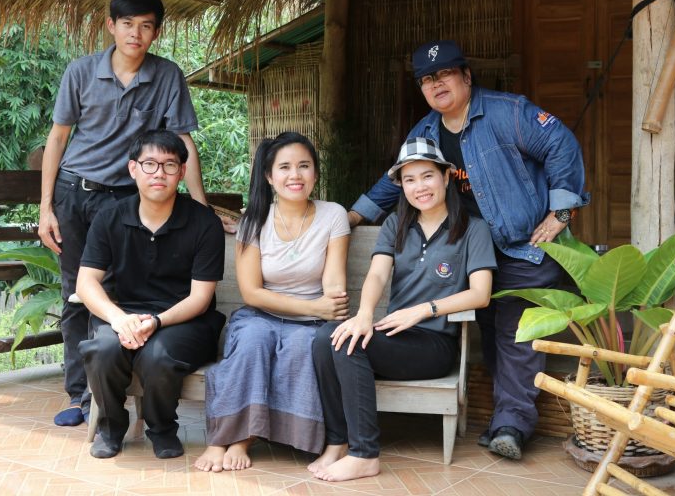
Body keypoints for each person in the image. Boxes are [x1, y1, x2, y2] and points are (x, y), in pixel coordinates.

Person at [348, 41, 589, 460]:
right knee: (492, 333)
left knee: (516, 333)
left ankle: (511, 425)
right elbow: (397, 180)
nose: (436, 84)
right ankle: (503, 418)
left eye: (445, 74)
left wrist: (562, 212)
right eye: (427, 79)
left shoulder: (507, 112)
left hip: (521, 246)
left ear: (466, 76)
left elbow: (561, 144)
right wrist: (352, 216)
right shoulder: (425, 132)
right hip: (468, 249)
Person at [38, 0, 217, 428]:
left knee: (123, 292)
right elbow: (57, 138)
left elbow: (184, 141)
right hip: (75, 193)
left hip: (125, 199)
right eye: (127, 24)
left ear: (156, 32)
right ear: (111, 26)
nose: (136, 34)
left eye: (146, 26)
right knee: (77, 293)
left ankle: (120, 394)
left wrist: (201, 205)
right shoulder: (81, 71)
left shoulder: (167, 75)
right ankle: (80, 397)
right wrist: (45, 208)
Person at [311, 137, 495, 481]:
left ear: (446, 176)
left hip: (435, 344)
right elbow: (378, 274)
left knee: (347, 344)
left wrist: (424, 309)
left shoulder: (473, 228)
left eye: (427, 176)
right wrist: (365, 315)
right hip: (394, 335)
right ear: (401, 186)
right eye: (409, 180)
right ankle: (338, 442)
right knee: (327, 338)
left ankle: (364, 454)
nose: (419, 187)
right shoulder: (396, 224)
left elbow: (480, 294)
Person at [194, 132, 350, 473]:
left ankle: (245, 439)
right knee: (252, 341)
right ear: (269, 176)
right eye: (285, 167)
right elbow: (251, 293)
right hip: (261, 315)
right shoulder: (254, 220)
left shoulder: (333, 215)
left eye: (304, 166)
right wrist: (314, 307)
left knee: (300, 346)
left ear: (315, 173)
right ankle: (223, 438)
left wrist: (325, 305)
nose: (295, 175)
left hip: (311, 323)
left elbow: (334, 284)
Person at [76, 129, 226, 459]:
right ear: (133, 169)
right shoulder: (109, 218)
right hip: (125, 313)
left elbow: (200, 298)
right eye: (149, 164)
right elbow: (85, 283)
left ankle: (162, 429)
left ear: (182, 172)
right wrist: (119, 319)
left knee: (158, 355)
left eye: (169, 165)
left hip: (186, 321)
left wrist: (156, 322)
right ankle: (111, 428)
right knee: (103, 348)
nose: (159, 173)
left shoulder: (204, 223)